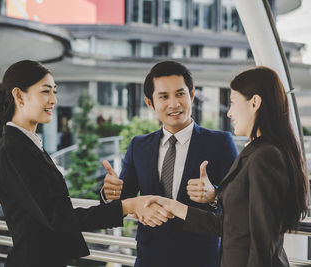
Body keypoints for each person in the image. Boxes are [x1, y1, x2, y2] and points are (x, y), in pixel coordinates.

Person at [0, 60, 172, 267]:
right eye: (45, 92)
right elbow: (59, 217)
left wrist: (112, 197)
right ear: (18, 95)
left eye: (54, 92)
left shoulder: (27, 144)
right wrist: (128, 205)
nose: (54, 100)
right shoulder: (14, 149)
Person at [145, 66, 309, 267]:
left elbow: (263, 241)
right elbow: (231, 226)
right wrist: (172, 205)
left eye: (232, 103)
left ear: (254, 103)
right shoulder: (256, 151)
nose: (229, 112)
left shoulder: (265, 156)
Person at [101, 61, 238, 267]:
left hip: (201, 260)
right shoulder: (139, 146)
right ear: (150, 103)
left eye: (180, 94)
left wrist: (213, 195)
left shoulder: (220, 143)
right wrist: (109, 193)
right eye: (164, 97)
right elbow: (123, 200)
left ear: (191, 95)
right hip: (150, 259)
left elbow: (238, 205)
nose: (174, 104)